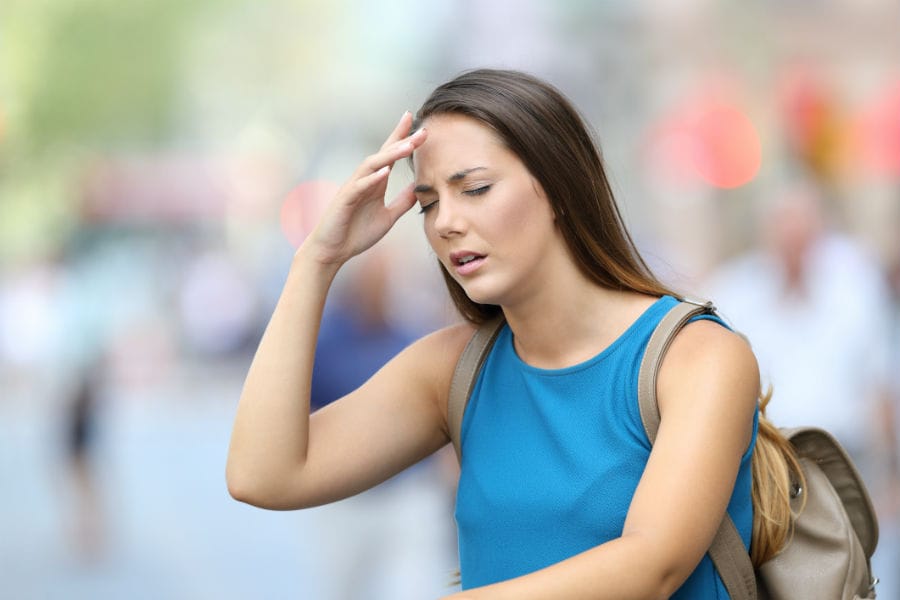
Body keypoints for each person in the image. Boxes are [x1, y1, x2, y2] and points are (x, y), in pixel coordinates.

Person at [226, 69, 767, 598]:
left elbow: (653, 565)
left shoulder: (697, 356)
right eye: (430, 202)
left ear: (558, 187)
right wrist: (316, 260)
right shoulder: (453, 370)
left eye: (475, 189)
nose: (445, 223)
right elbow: (263, 474)